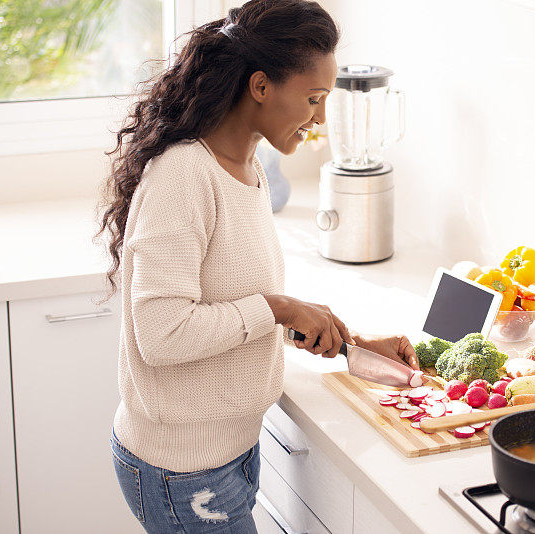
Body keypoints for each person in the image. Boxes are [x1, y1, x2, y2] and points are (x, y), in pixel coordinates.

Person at [94, 0, 418, 532]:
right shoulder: (182, 177)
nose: (318, 120)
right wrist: (280, 307)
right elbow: (163, 333)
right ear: (261, 86)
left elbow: (235, 306)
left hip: (228, 451)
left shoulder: (248, 168)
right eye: (313, 100)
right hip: (181, 469)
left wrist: (353, 343)